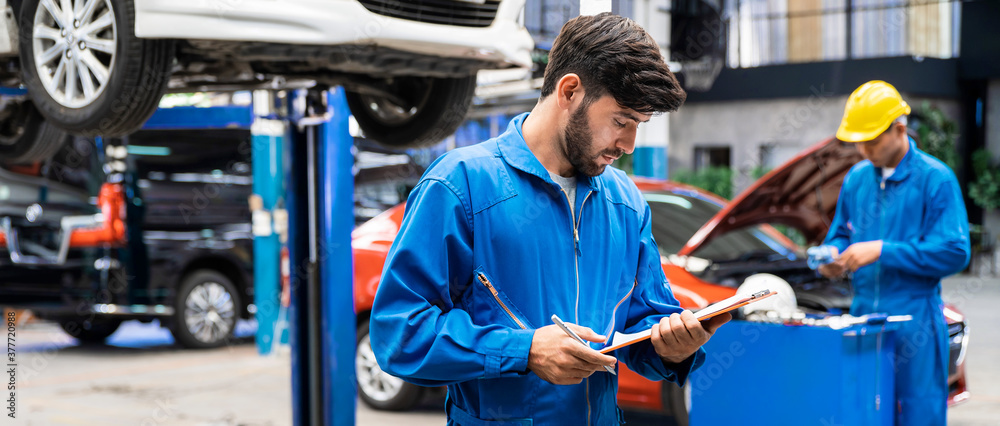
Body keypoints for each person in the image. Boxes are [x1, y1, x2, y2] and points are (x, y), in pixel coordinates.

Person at [369, 12, 730, 425]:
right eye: (621, 121)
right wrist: (524, 351)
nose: (628, 144)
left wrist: (673, 346)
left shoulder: (625, 203)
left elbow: (641, 324)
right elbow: (399, 332)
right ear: (570, 90)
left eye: (639, 126)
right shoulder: (461, 186)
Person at [818, 80, 970, 425]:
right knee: (863, 415)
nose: (864, 150)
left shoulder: (936, 180)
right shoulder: (857, 179)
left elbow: (955, 252)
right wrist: (832, 257)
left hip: (915, 325)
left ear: (900, 129)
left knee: (919, 415)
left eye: (872, 141)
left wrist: (883, 251)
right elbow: (841, 234)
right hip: (863, 322)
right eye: (859, 143)